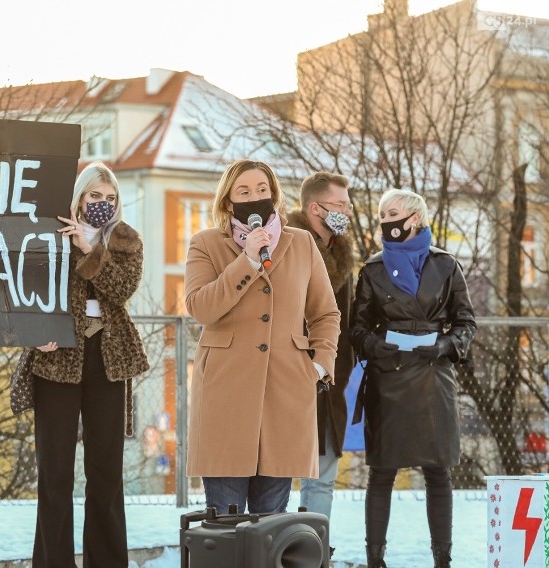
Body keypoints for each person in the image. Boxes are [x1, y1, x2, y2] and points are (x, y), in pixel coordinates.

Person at [184, 159, 340, 515]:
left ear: (274, 196)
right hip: (225, 395)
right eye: (243, 191)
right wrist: (248, 262)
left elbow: (325, 313)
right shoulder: (206, 244)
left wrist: (318, 365)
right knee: (226, 524)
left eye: (261, 190)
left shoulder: (300, 244)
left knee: (271, 527)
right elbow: (200, 308)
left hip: (285, 393)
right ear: (227, 201)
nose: (254, 197)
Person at [28, 161, 149, 568]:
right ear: (79, 197)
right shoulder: (50, 234)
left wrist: (91, 250)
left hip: (108, 361)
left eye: (109, 197)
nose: (102, 203)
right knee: (55, 474)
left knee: (105, 475)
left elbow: (121, 290)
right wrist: (34, 333)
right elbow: (29, 291)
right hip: (57, 359)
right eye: (94, 196)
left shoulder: (126, 240)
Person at [350, 188, 476, 568]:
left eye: (392, 213)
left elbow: (467, 323)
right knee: (382, 472)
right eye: (382, 214)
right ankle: (375, 560)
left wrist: (441, 347)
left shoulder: (447, 265)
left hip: (434, 377)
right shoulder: (372, 269)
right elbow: (356, 328)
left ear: (414, 219)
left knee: (438, 472)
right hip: (389, 379)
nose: (385, 220)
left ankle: (443, 560)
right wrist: (376, 347)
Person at [286, 172, 355, 552]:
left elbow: (346, 322)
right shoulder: (287, 246)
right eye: (341, 205)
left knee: (323, 478)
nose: (347, 212)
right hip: (287, 380)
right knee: (277, 477)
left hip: (330, 387)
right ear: (316, 208)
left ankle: (314, 551)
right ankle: (276, 548)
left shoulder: (342, 256)